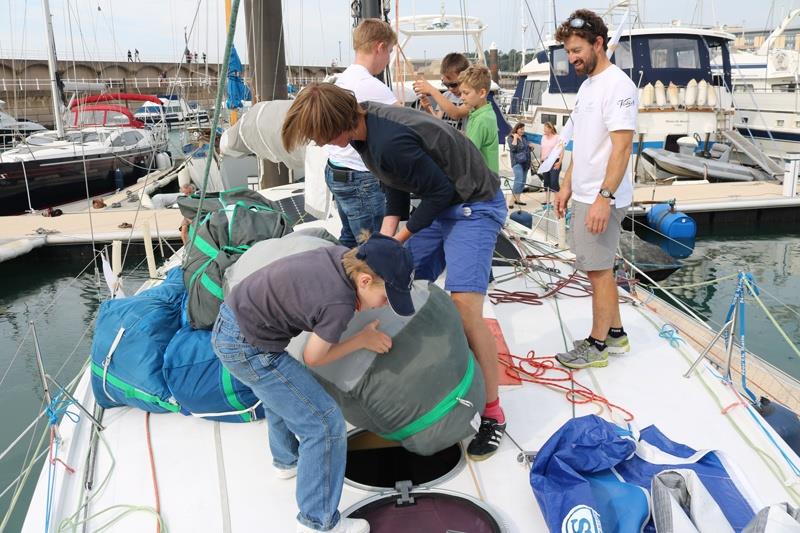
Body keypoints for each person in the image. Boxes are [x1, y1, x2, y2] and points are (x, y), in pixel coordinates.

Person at [282, 83, 509, 461]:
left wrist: (400, 236)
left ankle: (492, 413)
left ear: (339, 123)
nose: (322, 145)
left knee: (466, 309)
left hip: (472, 205)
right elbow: (396, 187)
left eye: (322, 137)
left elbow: (438, 193)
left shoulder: (388, 140)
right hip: (443, 202)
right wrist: (386, 242)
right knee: (392, 284)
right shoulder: (363, 128)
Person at [213, 233, 415, 533]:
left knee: (280, 393)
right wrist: (362, 339)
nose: (384, 306)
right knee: (323, 423)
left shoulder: (339, 257)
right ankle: (317, 521)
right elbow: (314, 357)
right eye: (386, 298)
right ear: (364, 282)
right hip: (248, 347)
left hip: (234, 321)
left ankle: (287, 460)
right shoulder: (339, 304)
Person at [552, 9, 636, 369]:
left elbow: (621, 148)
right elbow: (583, 145)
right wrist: (567, 185)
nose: (572, 59)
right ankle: (616, 334)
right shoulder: (588, 87)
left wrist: (604, 198)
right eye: (569, 52)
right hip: (586, 194)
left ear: (598, 43)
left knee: (599, 271)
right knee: (598, 268)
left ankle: (597, 345)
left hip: (602, 197)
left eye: (576, 50)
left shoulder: (618, 86)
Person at [324, 19, 398, 248]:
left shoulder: (340, 81)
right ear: (380, 47)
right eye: (390, 52)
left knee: (348, 238)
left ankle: (337, 279)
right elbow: (408, 125)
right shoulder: (373, 87)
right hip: (360, 177)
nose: (388, 60)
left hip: (336, 170)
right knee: (372, 247)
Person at [413, 53, 471, 130]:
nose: (450, 89)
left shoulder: (470, 98)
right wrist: (428, 108)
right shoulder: (446, 96)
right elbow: (438, 123)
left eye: (453, 85)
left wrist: (432, 90)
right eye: (446, 85)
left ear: (465, 78)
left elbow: (456, 113)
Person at [459, 66, 499, 173]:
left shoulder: (481, 120)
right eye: (461, 93)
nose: (461, 97)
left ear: (482, 93)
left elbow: (467, 156)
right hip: (491, 180)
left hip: (482, 183)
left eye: (466, 93)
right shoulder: (488, 114)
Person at [506, 122, 533, 207]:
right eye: (521, 129)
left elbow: (526, 149)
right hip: (517, 162)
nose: (523, 131)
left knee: (523, 181)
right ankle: (511, 200)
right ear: (516, 129)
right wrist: (515, 138)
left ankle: (518, 199)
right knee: (519, 179)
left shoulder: (524, 137)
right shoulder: (510, 137)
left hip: (526, 162)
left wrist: (531, 146)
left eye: (523, 129)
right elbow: (513, 149)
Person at [540, 122, 563, 199]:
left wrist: (560, 162)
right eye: (544, 128)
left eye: (546, 128)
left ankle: (557, 200)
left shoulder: (557, 137)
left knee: (553, 182)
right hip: (545, 162)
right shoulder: (543, 137)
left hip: (555, 162)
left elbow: (562, 150)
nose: (544, 130)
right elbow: (542, 149)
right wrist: (541, 160)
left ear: (551, 129)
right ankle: (547, 201)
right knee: (546, 182)